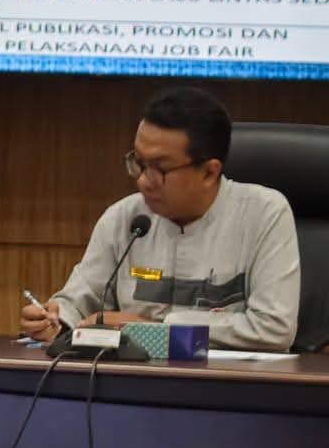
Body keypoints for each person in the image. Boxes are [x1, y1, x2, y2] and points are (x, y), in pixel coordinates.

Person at [19, 86, 300, 351]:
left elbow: (274, 328)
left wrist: (154, 329)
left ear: (209, 172)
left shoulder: (263, 214)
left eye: (159, 168)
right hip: (132, 380)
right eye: (139, 163)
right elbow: (80, 298)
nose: (143, 181)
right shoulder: (124, 218)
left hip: (227, 382)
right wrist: (56, 318)